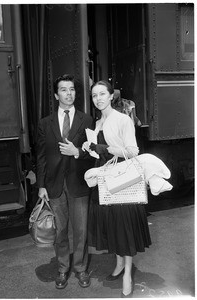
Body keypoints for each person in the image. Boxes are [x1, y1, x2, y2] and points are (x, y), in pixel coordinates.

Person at [83, 80, 151, 298]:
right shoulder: (96, 123)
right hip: (104, 179)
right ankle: (120, 262)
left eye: (103, 94)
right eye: (94, 95)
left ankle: (127, 273)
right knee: (112, 224)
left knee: (124, 227)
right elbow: (99, 152)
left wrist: (105, 147)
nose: (98, 98)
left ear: (111, 96)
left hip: (121, 181)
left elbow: (132, 151)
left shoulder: (122, 119)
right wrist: (90, 148)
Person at [36, 74, 94, 289]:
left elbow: (92, 153)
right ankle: (62, 269)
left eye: (71, 89)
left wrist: (77, 151)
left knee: (80, 231)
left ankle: (80, 268)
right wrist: (41, 185)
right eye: (63, 89)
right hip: (55, 185)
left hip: (78, 183)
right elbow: (40, 156)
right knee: (60, 232)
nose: (69, 93)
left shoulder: (86, 120)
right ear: (56, 94)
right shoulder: (45, 123)